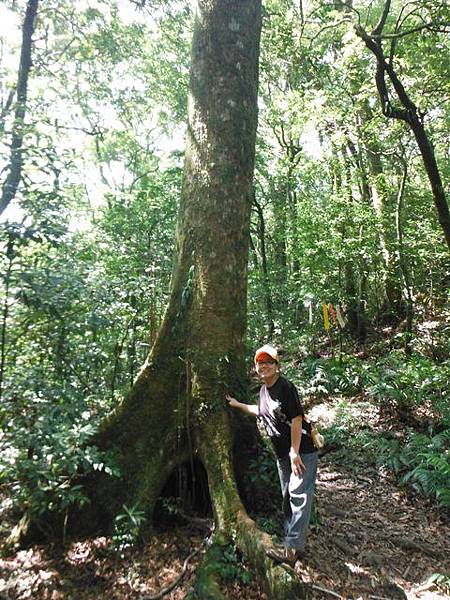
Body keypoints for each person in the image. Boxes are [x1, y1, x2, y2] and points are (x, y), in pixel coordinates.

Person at [226, 344, 318, 567]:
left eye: (268, 362)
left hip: (301, 451)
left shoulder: (285, 387)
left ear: (277, 366)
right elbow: (261, 411)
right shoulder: (264, 390)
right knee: (287, 497)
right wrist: (237, 405)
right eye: (260, 363)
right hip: (282, 455)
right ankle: (291, 542)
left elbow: (297, 419)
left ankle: (291, 550)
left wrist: (294, 451)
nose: (263, 366)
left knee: (298, 496)